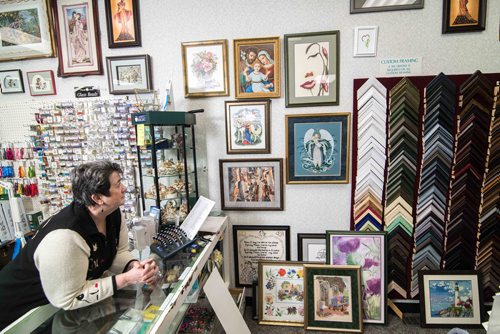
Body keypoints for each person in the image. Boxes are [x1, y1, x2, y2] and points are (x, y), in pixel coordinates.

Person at [0, 161, 159, 330]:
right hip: (17, 316)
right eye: (118, 184)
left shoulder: (111, 214)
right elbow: (69, 297)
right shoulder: (65, 237)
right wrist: (127, 278)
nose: (124, 188)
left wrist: (135, 267)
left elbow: (117, 253)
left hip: (53, 312)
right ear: (97, 198)